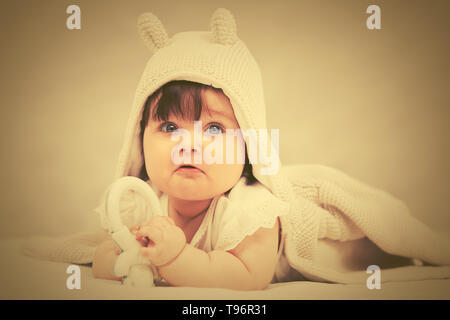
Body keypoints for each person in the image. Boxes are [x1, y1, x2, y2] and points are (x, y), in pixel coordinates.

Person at [92, 9, 290, 290]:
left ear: (249, 143)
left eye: (214, 129)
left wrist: (176, 258)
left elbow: (248, 276)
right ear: (140, 140)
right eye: (170, 128)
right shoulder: (140, 201)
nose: (189, 145)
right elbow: (101, 257)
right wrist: (127, 254)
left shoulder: (252, 209)